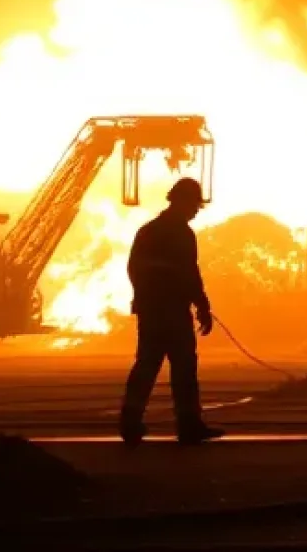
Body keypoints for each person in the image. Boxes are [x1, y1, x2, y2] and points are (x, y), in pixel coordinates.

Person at [120, 178, 220, 445]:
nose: (196, 210)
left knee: (146, 366)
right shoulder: (182, 234)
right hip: (172, 311)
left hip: (152, 311)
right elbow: (189, 273)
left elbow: (135, 270)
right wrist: (201, 305)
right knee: (184, 368)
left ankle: (130, 423)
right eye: (194, 205)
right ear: (183, 202)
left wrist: (149, 297)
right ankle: (188, 425)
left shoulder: (148, 231)